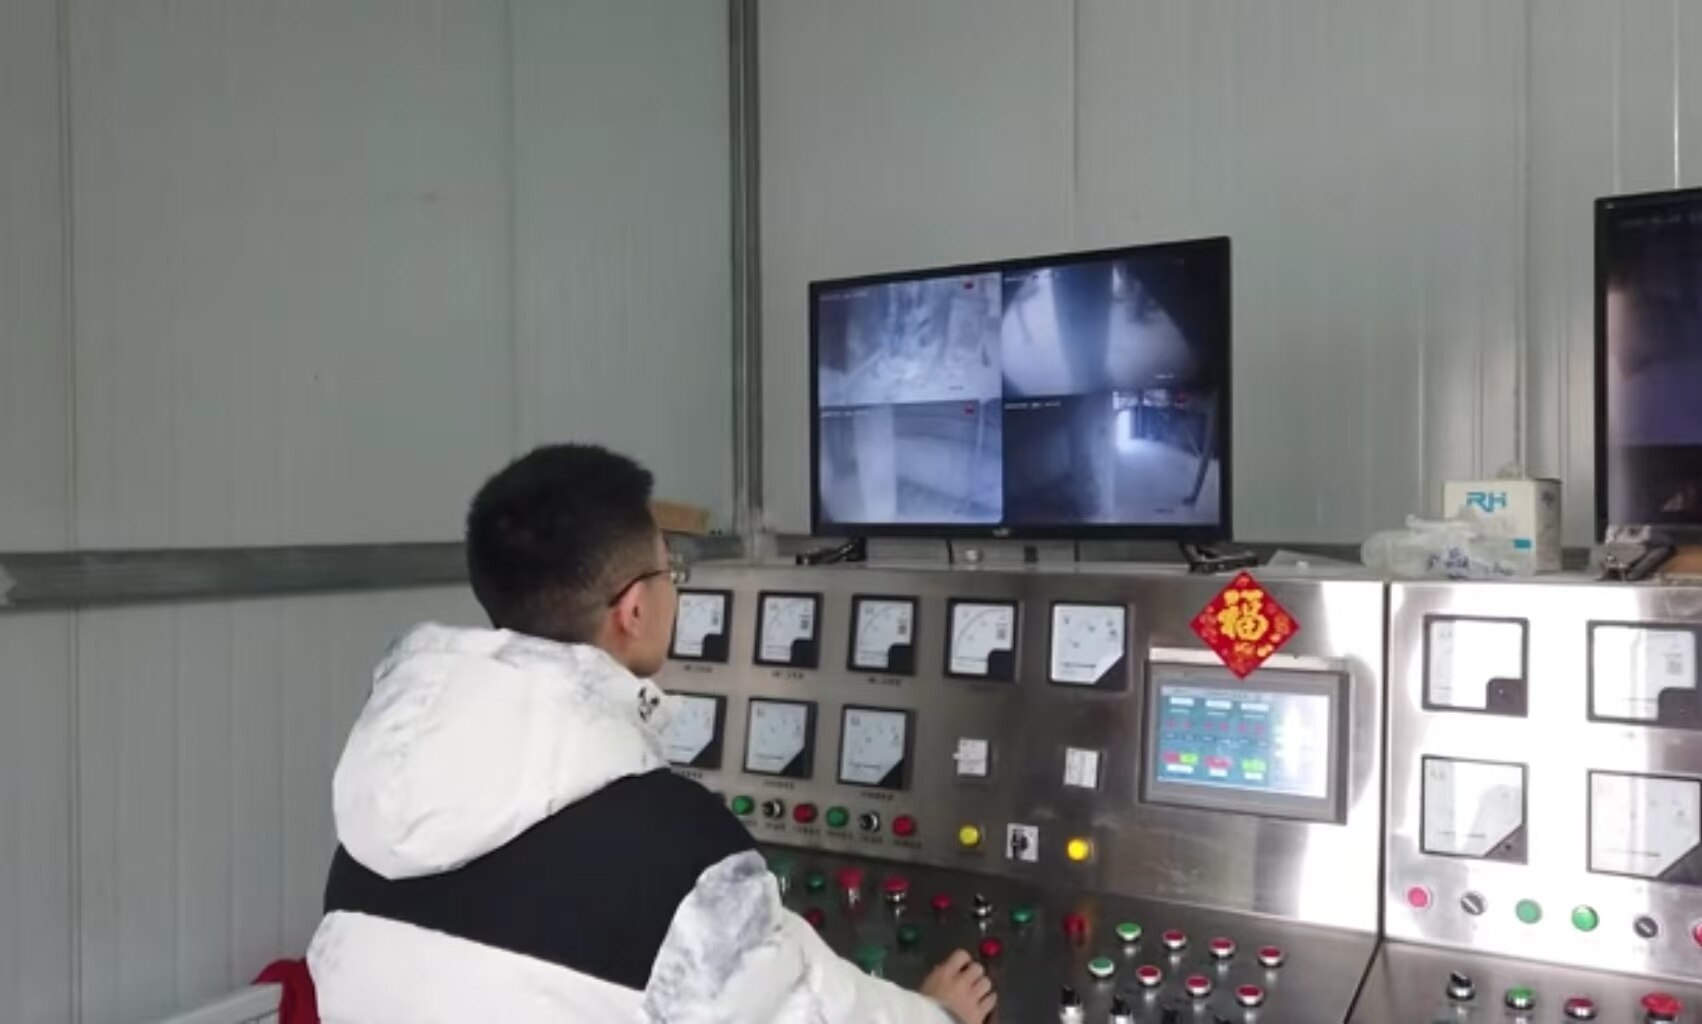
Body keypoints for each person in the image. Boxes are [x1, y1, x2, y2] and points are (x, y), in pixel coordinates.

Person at [307, 444, 997, 1023]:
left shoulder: (376, 828)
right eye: (671, 571)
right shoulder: (675, 851)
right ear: (634, 610)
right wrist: (937, 1013)